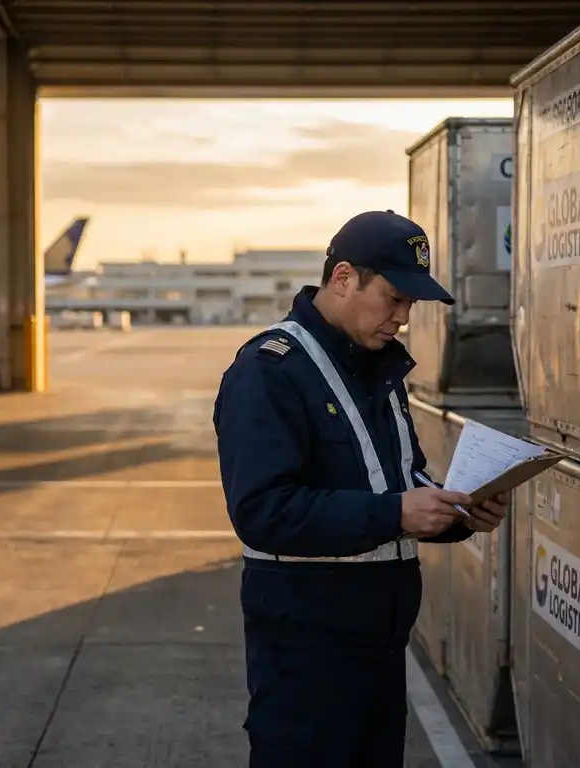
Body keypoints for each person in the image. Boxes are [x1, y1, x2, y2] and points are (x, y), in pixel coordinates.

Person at [212, 209, 511, 767]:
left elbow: (399, 480)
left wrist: (458, 509)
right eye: (394, 299)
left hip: (379, 648)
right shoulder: (269, 370)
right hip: (307, 655)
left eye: (410, 306)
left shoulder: (377, 367)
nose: (402, 318)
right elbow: (263, 511)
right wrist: (397, 514)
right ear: (344, 278)